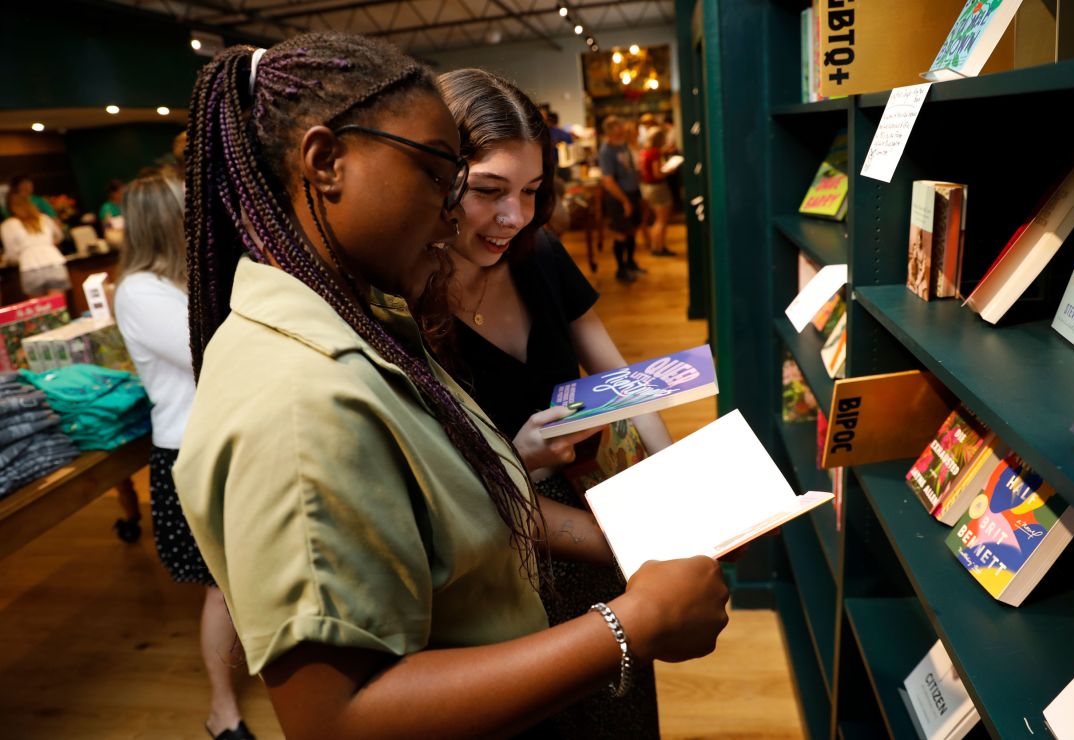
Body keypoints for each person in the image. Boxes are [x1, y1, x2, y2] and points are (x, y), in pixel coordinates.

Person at [173, 33, 729, 739]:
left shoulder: (368, 318)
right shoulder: (299, 403)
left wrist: (629, 546)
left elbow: (470, 501)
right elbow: (337, 718)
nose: (455, 209)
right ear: (326, 162)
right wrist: (631, 623)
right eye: (441, 176)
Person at [438, 67, 679, 737]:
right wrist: (517, 457)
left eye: (532, 191)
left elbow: (618, 379)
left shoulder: (536, 253)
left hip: (589, 514)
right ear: (436, 180)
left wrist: (674, 477)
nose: (513, 217)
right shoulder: (406, 308)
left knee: (620, 699)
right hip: (498, 549)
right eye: (488, 192)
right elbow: (439, 491)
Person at [113, 172, 254, 740]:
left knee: (248, 576)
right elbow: (214, 351)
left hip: (230, 440)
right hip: (191, 453)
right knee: (222, 585)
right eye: (189, 212)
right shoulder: (139, 292)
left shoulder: (181, 281)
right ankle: (223, 709)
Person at [598, 115, 643, 284]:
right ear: (611, 131)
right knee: (621, 233)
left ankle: (630, 262)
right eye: (619, 127)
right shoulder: (606, 151)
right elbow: (608, 181)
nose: (623, 129)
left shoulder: (623, 144)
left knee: (632, 230)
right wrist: (625, 201)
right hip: (618, 197)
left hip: (632, 192)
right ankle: (621, 269)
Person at [0, 191, 69, 297]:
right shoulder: (44, 218)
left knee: (39, 309)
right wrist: (47, 245)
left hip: (29, 267)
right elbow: (59, 236)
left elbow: (11, 255)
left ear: (9, 207)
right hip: (54, 262)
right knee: (58, 309)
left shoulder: (8, 225)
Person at [638, 127, 677, 257]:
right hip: (658, 187)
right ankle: (659, 248)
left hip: (648, 187)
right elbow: (657, 174)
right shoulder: (655, 153)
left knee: (657, 219)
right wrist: (669, 170)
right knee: (661, 220)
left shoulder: (644, 151)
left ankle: (656, 246)